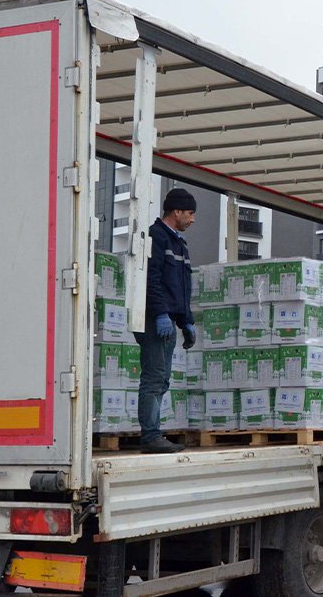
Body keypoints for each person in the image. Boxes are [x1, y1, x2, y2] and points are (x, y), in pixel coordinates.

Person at [136, 188, 198, 453]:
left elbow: (180, 288)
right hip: (154, 319)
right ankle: (150, 436)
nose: (193, 219)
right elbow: (151, 279)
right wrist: (160, 313)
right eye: (190, 213)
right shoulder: (156, 237)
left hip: (169, 319)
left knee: (162, 379)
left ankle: (153, 433)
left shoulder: (179, 243)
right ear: (177, 212)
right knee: (154, 377)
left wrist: (187, 321)